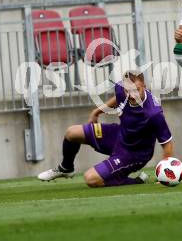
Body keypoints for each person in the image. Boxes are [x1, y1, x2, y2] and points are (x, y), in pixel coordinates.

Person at [38, 71, 174, 187]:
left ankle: (135, 181)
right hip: (119, 135)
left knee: (90, 179)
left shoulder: (153, 113)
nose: (132, 95)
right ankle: (66, 168)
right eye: (128, 91)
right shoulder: (122, 89)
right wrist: (97, 112)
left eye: (136, 90)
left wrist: (164, 174)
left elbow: (167, 143)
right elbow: (118, 97)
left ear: (144, 86)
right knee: (71, 133)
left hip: (134, 153)